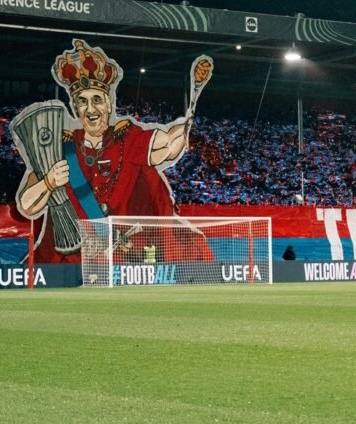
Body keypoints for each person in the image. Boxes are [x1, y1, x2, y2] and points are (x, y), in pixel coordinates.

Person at [14, 39, 210, 265]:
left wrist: (185, 125)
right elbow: (28, 205)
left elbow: (168, 146)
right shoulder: (57, 149)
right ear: (75, 108)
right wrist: (48, 183)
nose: (90, 109)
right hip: (66, 259)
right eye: (82, 101)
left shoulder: (127, 138)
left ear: (108, 104)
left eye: (97, 100)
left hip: (120, 261)